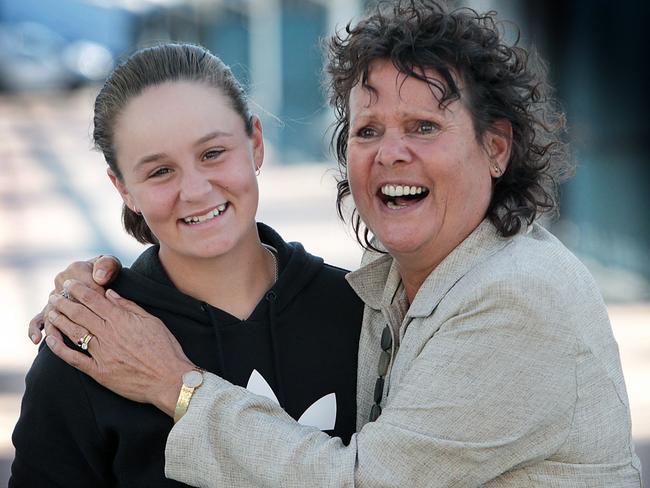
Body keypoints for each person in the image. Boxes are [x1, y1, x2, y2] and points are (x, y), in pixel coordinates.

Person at [28, 0, 643, 486]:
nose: (391, 152)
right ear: (122, 187)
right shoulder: (92, 342)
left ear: (496, 147)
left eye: (424, 126)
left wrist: (176, 385)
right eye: (368, 129)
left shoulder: (512, 296)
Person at [10, 43, 363, 487]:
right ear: (123, 189)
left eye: (213, 153)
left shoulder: (361, 313)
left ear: (255, 143)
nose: (195, 190)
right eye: (160, 171)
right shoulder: (88, 343)